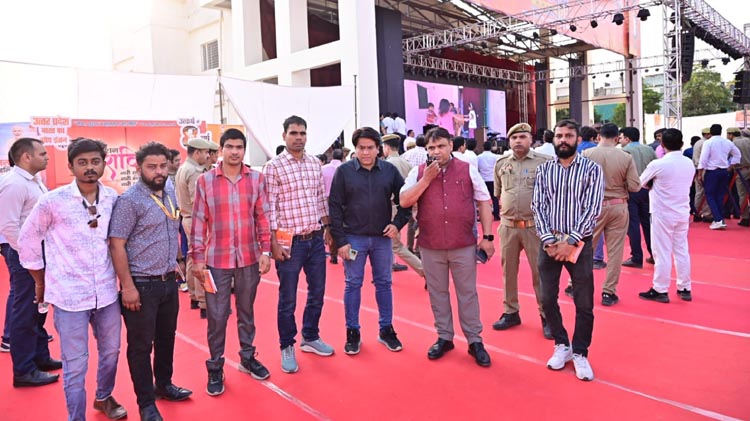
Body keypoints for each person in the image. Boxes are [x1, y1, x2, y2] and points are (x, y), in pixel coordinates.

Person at [18, 138, 127, 420]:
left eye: (95, 161)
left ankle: (103, 397)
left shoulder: (113, 199)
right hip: (69, 297)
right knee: (76, 365)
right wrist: (40, 280)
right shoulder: (52, 202)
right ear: (70, 166)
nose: (90, 167)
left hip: (106, 293)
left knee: (111, 352)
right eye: (82, 162)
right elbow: (27, 240)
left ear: (104, 164)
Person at [109, 142, 193, 421]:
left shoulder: (169, 189)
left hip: (169, 281)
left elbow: (171, 227)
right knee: (141, 346)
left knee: (167, 338)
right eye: (151, 167)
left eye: (163, 166)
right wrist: (128, 287)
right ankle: (146, 403)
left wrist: (179, 261)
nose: (159, 171)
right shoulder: (129, 201)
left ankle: (164, 385)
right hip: (142, 285)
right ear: (138, 167)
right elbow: (117, 245)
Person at [400, 126, 495, 367]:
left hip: (463, 244)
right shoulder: (417, 172)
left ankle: (474, 340)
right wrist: (426, 179)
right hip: (430, 245)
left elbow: (484, 202)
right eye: (431, 147)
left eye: (441, 146)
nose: (436, 151)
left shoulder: (467, 169)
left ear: (451, 145)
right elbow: (405, 200)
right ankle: (444, 337)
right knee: (437, 293)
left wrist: (488, 237)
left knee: (467, 293)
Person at [191, 129, 272, 396]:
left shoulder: (257, 179)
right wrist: (198, 259)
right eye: (229, 146)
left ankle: (247, 357)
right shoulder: (205, 181)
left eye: (239, 147)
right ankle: (215, 367)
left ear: (244, 150)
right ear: (221, 150)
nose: (234, 151)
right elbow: (198, 222)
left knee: (246, 311)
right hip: (216, 261)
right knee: (216, 316)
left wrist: (266, 251)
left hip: (249, 258)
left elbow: (262, 217)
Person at [532, 119, 603, 381]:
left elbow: (592, 208)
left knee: (584, 302)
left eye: (569, 135)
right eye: (559, 135)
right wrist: (549, 240)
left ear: (577, 139)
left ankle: (581, 352)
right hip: (549, 244)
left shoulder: (592, 169)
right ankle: (562, 344)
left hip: (579, 244)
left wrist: (570, 241)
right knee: (547, 298)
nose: (563, 140)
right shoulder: (544, 170)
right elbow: (538, 206)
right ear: (554, 139)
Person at [329, 128, 411, 355]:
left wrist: (397, 224)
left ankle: (386, 329)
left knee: (384, 284)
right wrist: (340, 241)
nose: (365, 152)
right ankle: (352, 331)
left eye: (370, 148)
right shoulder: (344, 172)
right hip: (353, 239)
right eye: (361, 148)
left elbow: (405, 200)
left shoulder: (389, 171)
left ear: (379, 149)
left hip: (382, 239)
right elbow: (334, 207)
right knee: (353, 284)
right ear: (355, 149)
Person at [263, 115, 333, 374]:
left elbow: (320, 199)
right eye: (293, 133)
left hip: (315, 239)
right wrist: (273, 243)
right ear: (284, 136)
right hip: (288, 243)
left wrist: (328, 228)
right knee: (288, 298)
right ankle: (287, 345)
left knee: (318, 292)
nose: (299, 137)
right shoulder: (273, 167)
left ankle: (310, 336)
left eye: (302, 133)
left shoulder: (315, 163)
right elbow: (269, 208)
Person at [0, 137, 61, 388]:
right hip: (24, 254)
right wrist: (28, 255)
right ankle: (24, 370)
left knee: (38, 307)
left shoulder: (33, 181)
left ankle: (40, 358)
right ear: (26, 157)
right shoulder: (14, 184)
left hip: (38, 251)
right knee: (25, 309)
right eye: (42, 154)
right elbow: (8, 225)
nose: (47, 157)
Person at [491, 123, 552, 339]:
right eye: (514, 138)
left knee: (540, 273)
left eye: (523, 137)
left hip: (534, 227)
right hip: (508, 227)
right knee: (508, 272)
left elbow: (553, 195)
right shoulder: (501, 163)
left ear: (531, 140)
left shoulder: (545, 163)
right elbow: (498, 193)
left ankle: (547, 316)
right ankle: (510, 312)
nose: (518, 141)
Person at [579, 123, 640, 306]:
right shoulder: (625, 157)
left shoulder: (587, 155)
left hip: (592, 207)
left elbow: (578, 183)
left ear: (599, 136)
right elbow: (635, 186)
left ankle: (574, 285)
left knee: (585, 247)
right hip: (618, 205)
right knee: (615, 251)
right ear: (617, 138)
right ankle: (608, 291)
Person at [637, 128, 695, 303]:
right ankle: (685, 287)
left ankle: (660, 288)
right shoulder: (688, 163)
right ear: (682, 144)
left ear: (662, 145)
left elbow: (640, 183)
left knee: (661, 252)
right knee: (681, 250)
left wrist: (651, 184)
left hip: (662, 213)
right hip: (682, 211)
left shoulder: (658, 164)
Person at [175, 138, 211, 318]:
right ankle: (204, 302)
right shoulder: (195, 171)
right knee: (202, 259)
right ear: (197, 153)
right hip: (197, 219)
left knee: (192, 258)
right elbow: (198, 200)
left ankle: (195, 297)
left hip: (187, 218)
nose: (207, 156)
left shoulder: (183, 168)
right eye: (206, 152)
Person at [381, 135, 424, 277]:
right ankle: (385, 273)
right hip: (408, 205)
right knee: (389, 243)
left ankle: (425, 272)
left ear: (386, 147)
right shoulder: (406, 163)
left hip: (392, 208)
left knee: (395, 245)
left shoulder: (386, 165)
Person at [619, 127, 657, 268]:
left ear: (627, 138)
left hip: (631, 190)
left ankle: (636, 257)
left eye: (621, 137)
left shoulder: (624, 152)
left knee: (633, 224)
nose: (620, 140)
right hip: (647, 190)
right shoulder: (649, 150)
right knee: (648, 223)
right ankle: (654, 254)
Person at [697, 124, 742, 230]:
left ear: (711, 132)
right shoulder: (728, 142)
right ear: (721, 132)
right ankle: (720, 218)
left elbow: (703, 158)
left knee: (710, 195)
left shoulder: (708, 142)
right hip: (724, 171)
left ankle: (718, 219)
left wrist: (700, 172)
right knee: (720, 196)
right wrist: (731, 165)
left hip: (712, 171)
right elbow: (737, 155)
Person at [321, 149, 344, 264]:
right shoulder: (345, 168)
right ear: (343, 157)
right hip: (343, 200)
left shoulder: (323, 169)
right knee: (345, 227)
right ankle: (346, 255)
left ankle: (333, 254)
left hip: (327, 199)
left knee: (330, 227)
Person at [727, 128, 750, 227]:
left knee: (742, 195)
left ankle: (745, 217)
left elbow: (728, 157)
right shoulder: (748, 140)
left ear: (731, 135)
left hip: (740, 170)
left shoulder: (732, 144)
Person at [692, 128, 713, 222]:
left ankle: (697, 212)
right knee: (708, 192)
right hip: (704, 169)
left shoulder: (698, 143)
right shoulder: (706, 143)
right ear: (707, 134)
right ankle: (707, 214)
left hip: (698, 169)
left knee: (699, 193)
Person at [477, 140, 501, 220]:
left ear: (483, 147)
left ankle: (483, 216)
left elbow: (477, 168)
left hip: (483, 180)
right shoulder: (495, 157)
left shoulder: (479, 157)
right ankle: (496, 215)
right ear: (491, 147)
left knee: (483, 199)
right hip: (492, 179)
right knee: (495, 198)